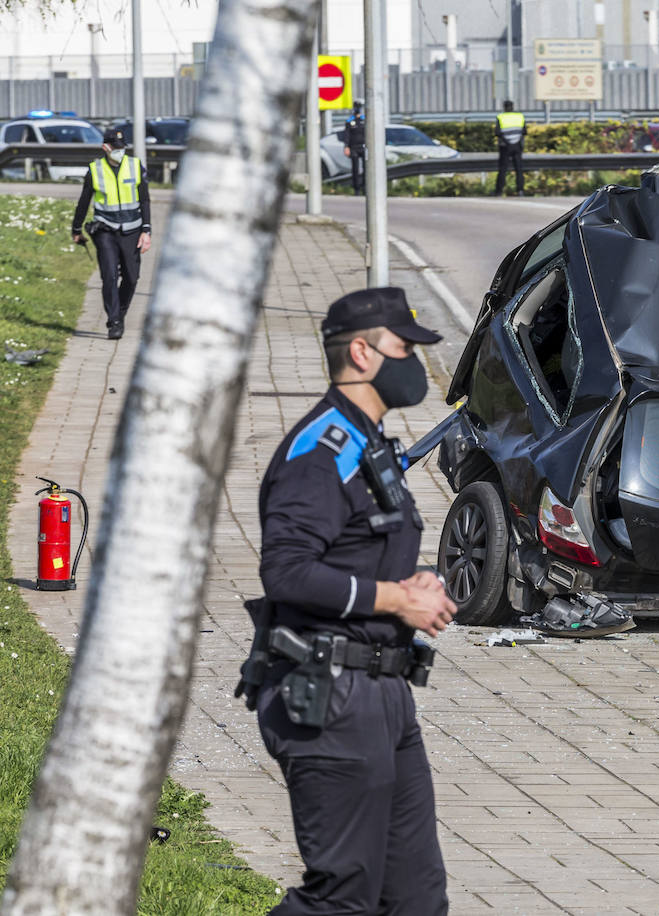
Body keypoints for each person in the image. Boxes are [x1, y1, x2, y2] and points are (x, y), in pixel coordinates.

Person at [253, 287, 455, 914]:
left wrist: (416, 582)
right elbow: (286, 572)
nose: (414, 365)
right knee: (342, 898)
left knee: (415, 899)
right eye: (405, 349)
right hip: (328, 694)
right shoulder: (322, 450)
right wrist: (395, 598)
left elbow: (353, 551)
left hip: (382, 690)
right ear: (363, 353)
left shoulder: (366, 441)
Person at [70, 128, 150, 340]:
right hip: (105, 230)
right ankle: (114, 322)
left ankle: (120, 312)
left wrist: (147, 230)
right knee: (109, 275)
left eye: (122, 148)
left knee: (132, 278)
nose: (119, 151)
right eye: (115, 147)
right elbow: (84, 201)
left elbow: (144, 200)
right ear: (105, 147)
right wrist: (76, 229)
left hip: (132, 230)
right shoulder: (95, 170)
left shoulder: (135, 166)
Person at [494, 99, 526, 196]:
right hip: (517, 146)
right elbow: (524, 132)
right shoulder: (520, 116)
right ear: (513, 107)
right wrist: (516, 141)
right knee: (519, 169)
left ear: (504, 107)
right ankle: (520, 190)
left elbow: (497, 133)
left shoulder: (500, 117)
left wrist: (508, 141)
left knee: (503, 169)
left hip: (505, 146)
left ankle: (499, 191)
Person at [344, 102, 367, 196]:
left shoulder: (365, 119)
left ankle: (366, 187)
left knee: (367, 168)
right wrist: (346, 147)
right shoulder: (350, 121)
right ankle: (356, 189)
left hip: (364, 147)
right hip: (353, 147)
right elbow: (347, 135)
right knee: (355, 169)